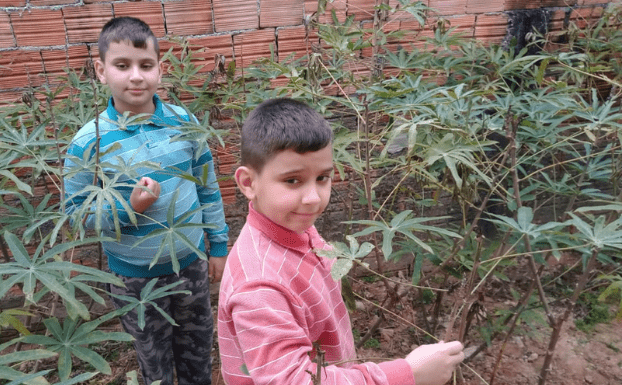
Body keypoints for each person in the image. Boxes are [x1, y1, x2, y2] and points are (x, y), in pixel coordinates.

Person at [217, 98, 464, 385]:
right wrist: (408, 374)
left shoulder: (295, 227)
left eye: (322, 178)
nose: (313, 197)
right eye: (293, 181)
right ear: (248, 183)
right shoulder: (258, 286)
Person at [63, 16, 229, 385]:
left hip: (191, 262)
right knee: (153, 361)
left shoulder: (184, 121)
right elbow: (75, 214)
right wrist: (128, 208)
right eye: (122, 66)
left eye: (145, 65)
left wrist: (218, 244)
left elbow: (207, 186)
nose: (136, 76)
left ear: (160, 69)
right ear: (100, 71)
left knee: (198, 349)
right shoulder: (89, 141)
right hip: (134, 277)